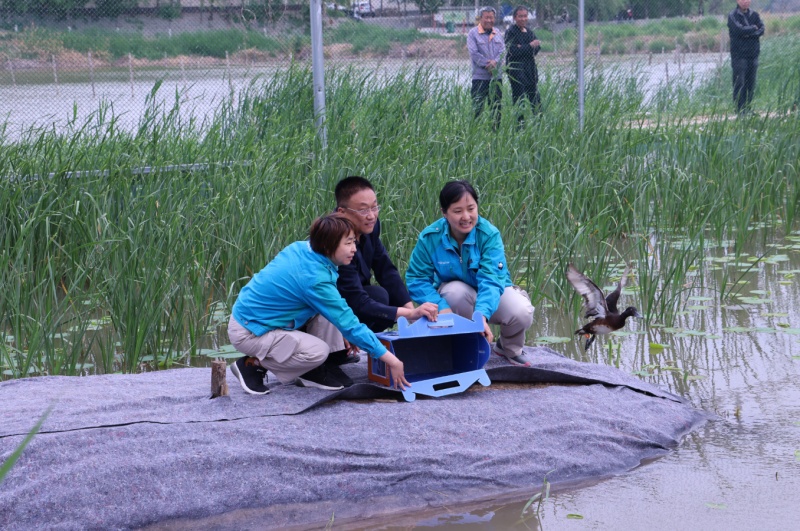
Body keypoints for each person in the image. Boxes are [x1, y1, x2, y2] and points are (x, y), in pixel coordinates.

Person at [227, 213, 410, 395]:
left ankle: (313, 370)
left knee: (332, 308)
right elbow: (350, 325)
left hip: (264, 318)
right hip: (250, 331)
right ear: (326, 245)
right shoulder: (314, 279)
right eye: (348, 243)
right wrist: (393, 361)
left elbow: (337, 311)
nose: (354, 248)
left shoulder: (304, 249)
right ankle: (252, 364)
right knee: (318, 351)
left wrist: (347, 333)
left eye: (354, 241)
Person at [306, 176, 439, 367]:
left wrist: (411, 310)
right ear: (342, 212)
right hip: (327, 306)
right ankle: (331, 353)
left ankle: (350, 345)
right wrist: (410, 315)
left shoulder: (370, 226)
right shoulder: (335, 242)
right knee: (377, 299)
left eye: (374, 207)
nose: (371, 215)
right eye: (363, 209)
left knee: (384, 296)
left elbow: (386, 269)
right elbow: (355, 299)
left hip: (352, 298)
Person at [406, 180, 535, 367]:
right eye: (457, 211)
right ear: (444, 213)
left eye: (471, 209)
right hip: (457, 297)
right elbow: (417, 279)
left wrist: (480, 315)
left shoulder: (489, 235)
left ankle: (509, 348)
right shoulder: (430, 238)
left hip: (491, 293)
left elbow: (491, 280)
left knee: (521, 311)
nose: (466, 217)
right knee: (454, 292)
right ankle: (467, 346)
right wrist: (441, 306)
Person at [467, 6, 504, 126]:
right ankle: (475, 133)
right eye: (486, 17)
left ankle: (495, 133)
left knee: (496, 108)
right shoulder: (473, 33)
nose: (489, 20)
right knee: (477, 108)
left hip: (496, 79)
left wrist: (495, 63)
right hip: (480, 78)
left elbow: (503, 51)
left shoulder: (497, 32)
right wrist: (487, 64)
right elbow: (474, 53)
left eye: (491, 17)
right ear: (480, 18)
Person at [504, 6, 541, 124]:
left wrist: (523, 47)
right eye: (520, 16)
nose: (523, 18)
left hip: (530, 71)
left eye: (525, 16)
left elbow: (537, 48)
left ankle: (539, 124)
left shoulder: (529, 32)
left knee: (535, 99)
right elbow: (512, 51)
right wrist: (529, 46)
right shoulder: (511, 32)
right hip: (517, 72)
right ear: (515, 18)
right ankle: (519, 126)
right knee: (519, 99)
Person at [727, 0, 764, 114]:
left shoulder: (755, 15)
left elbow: (762, 29)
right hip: (739, 55)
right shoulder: (732, 15)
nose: (745, 2)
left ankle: (748, 108)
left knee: (750, 83)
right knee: (739, 82)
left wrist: (748, 33)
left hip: (753, 54)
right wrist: (753, 28)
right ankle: (739, 110)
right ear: (738, 1)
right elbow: (738, 30)